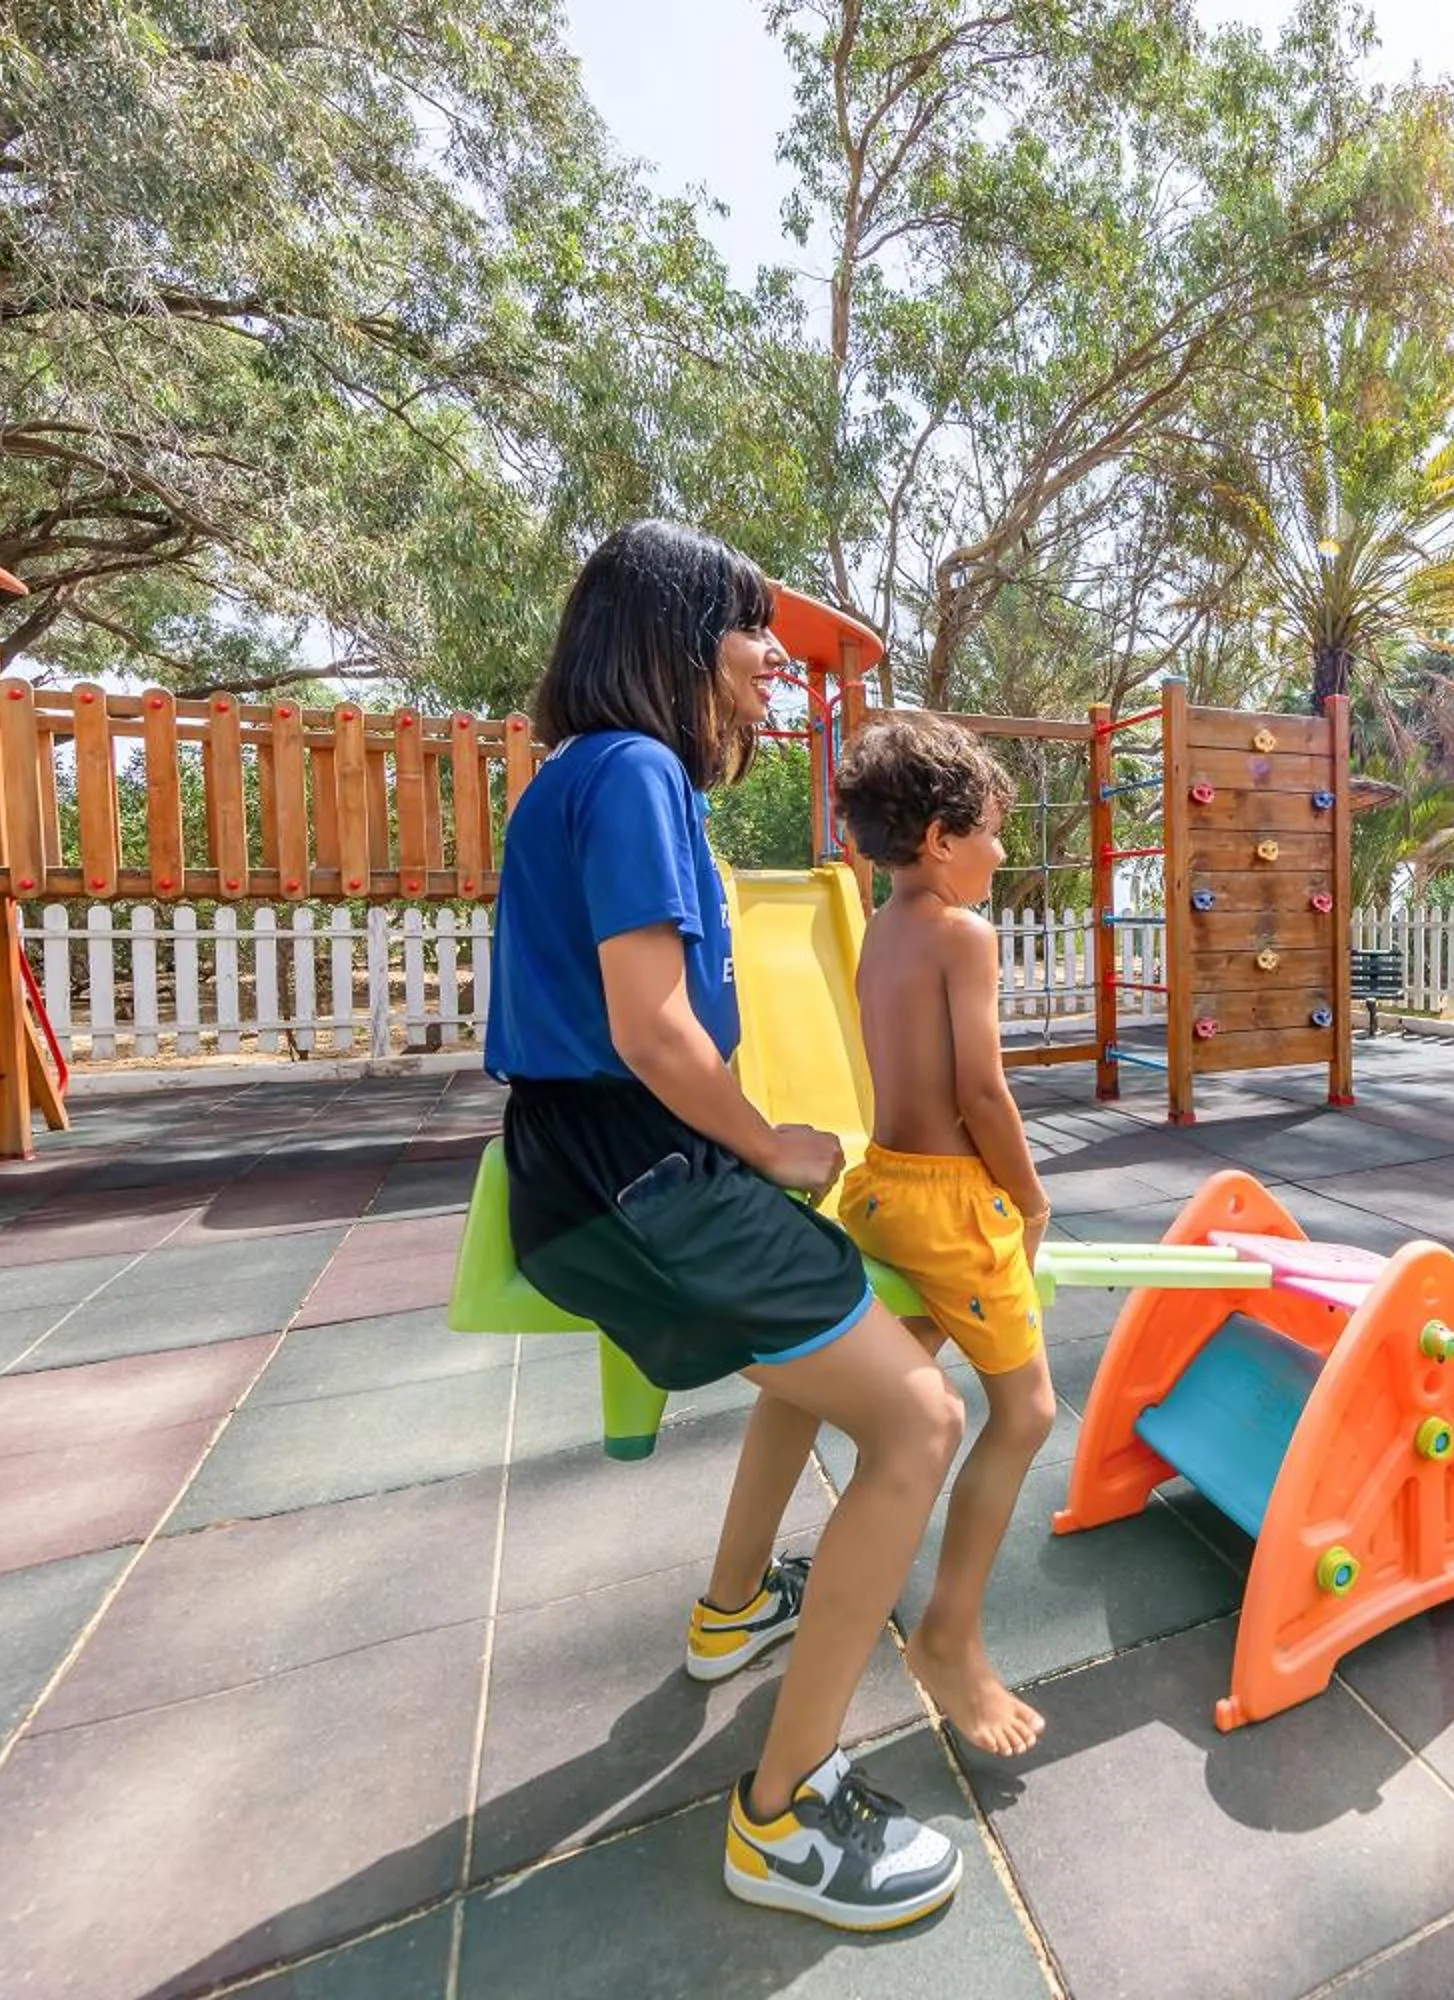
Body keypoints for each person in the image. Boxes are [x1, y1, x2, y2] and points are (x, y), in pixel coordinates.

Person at [486, 520, 967, 1932]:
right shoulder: (634, 771)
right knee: (920, 1420)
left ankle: (732, 1608)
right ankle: (786, 1816)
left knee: (826, 1349)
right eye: (751, 632)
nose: (773, 663)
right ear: (680, 637)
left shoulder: (576, 772)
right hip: (643, 1167)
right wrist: (767, 1143)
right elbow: (649, 1027)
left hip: (596, 1166)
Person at [827, 718, 1060, 1758]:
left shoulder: (884, 922)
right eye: (992, 835)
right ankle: (948, 1633)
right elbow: (982, 1089)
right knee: (1027, 1410)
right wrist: (1032, 1196)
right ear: (937, 835)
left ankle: (831, 1576)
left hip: (877, 1185)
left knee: (910, 1382)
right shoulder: (966, 934)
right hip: (948, 1203)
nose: (1001, 855)